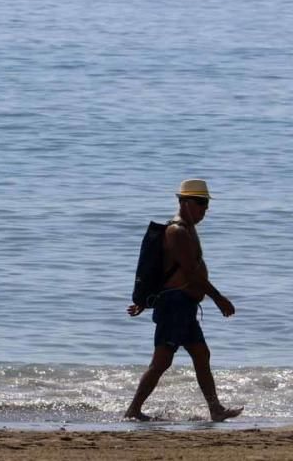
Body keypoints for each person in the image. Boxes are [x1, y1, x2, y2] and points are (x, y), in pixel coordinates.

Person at [124, 179, 242, 422]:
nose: (204, 210)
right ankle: (133, 410)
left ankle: (215, 409)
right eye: (200, 204)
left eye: (206, 204)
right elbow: (190, 272)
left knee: (201, 354)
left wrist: (145, 302)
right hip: (174, 307)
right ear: (184, 202)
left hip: (185, 307)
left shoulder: (188, 229)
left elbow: (171, 271)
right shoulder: (177, 231)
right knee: (161, 362)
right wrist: (218, 298)